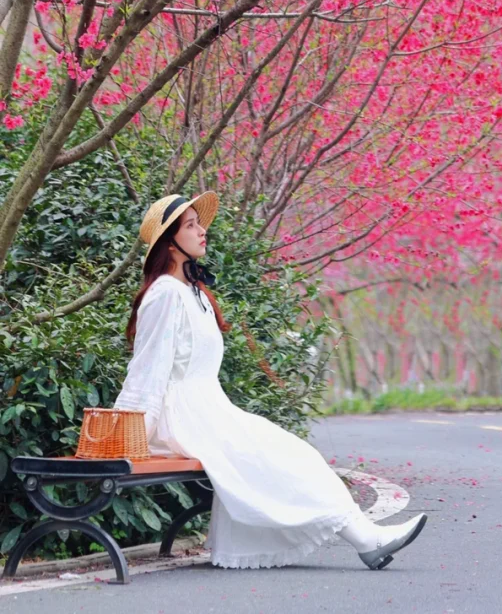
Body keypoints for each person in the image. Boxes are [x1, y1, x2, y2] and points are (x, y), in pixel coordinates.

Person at [113, 192, 426, 571]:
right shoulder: (165, 294)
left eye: (199, 223)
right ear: (170, 242)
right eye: (191, 226)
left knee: (292, 452)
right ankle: (367, 539)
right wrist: (128, 435)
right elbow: (148, 370)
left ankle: (366, 538)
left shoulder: (193, 292)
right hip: (183, 419)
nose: (202, 231)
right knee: (271, 452)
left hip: (209, 410)